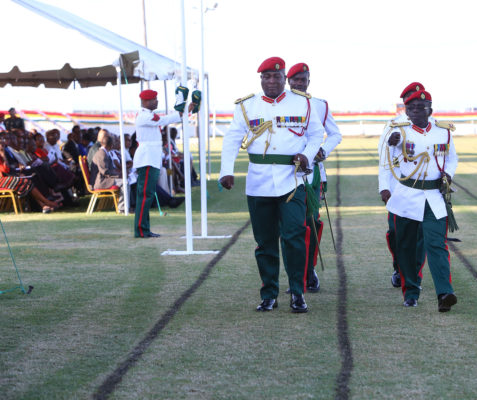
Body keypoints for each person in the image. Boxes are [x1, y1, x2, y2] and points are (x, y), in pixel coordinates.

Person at [219, 56, 324, 313]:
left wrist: (307, 155)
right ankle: (269, 295)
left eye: (277, 76)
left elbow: (315, 135)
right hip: (259, 182)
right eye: (267, 77)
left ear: (284, 78)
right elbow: (233, 138)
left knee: (295, 238)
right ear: (261, 79)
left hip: (293, 181)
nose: (272, 81)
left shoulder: (302, 103)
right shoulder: (247, 106)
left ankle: (298, 294)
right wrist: (226, 171)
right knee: (265, 242)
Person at [379, 88, 459, 312]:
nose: (416, 111)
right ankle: (411, 293)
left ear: (430, 110)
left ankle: (445, 293)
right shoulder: (398, 132)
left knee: (437, 245)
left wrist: (448, 175)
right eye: (411, 108)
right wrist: (392, 144)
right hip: (406, 197)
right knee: (406, 249)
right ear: (406, 110)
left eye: (421, 108)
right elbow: (388, 161)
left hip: (434, 197)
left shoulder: (443, 132)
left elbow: (452, 158)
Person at [286, 62, 342, 292]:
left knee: (310, 223)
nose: (299, 83)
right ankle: (296, 276)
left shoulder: (319, 105)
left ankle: (309, 271)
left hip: (311, 175)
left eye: (303, 79)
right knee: (290, 228)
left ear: (309, 81)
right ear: (288, 81)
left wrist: (323, 151)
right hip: (284, 174)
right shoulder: (278, 104)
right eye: (295, 80)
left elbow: (335, 134)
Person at [379, 82, 428, 289]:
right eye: (411, 100)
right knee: (396, 233)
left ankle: (413, 273)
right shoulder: (393, 126)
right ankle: (399, 267)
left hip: (425, 190)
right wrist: (384, 187)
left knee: (420, 236)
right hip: (397, 189)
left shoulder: (433, 125)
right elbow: (383, 158)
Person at [133, 89, 196, 238]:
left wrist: (184, 112)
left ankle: (144, 228)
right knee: (145, 195)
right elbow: (163, 120)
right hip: (147, 159)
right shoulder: (144, 116)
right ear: (145, 102)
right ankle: (142, 230)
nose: (157, 101)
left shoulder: (147, 115)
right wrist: (183, 112)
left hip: (151, 158)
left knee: (147, 195)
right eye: (154, 99)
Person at [91, 135, 125, 212]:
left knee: (125, 180)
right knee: (124, 183)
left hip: (105, 179)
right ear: (111, 145)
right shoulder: (101, 154)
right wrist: (117, 175)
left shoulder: (104, 152)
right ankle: (122, 208)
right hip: (101, 181)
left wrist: (118, 173)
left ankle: (125, 206)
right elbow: (105, 171)